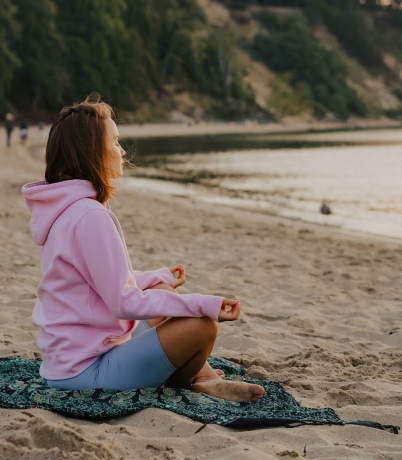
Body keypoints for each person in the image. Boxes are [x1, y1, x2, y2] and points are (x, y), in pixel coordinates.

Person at [21, 97, 265, 402]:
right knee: (202, 326)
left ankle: (203, 378)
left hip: (70, 358)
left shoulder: (67, 208)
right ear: (93, 152)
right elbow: (124, 301)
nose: (122, 151)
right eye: (115, 142)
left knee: (163, 289)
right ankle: (195, 380)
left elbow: (97, 280)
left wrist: (156, 276)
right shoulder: (90, 216)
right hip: (83, 372)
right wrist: (206, 304)